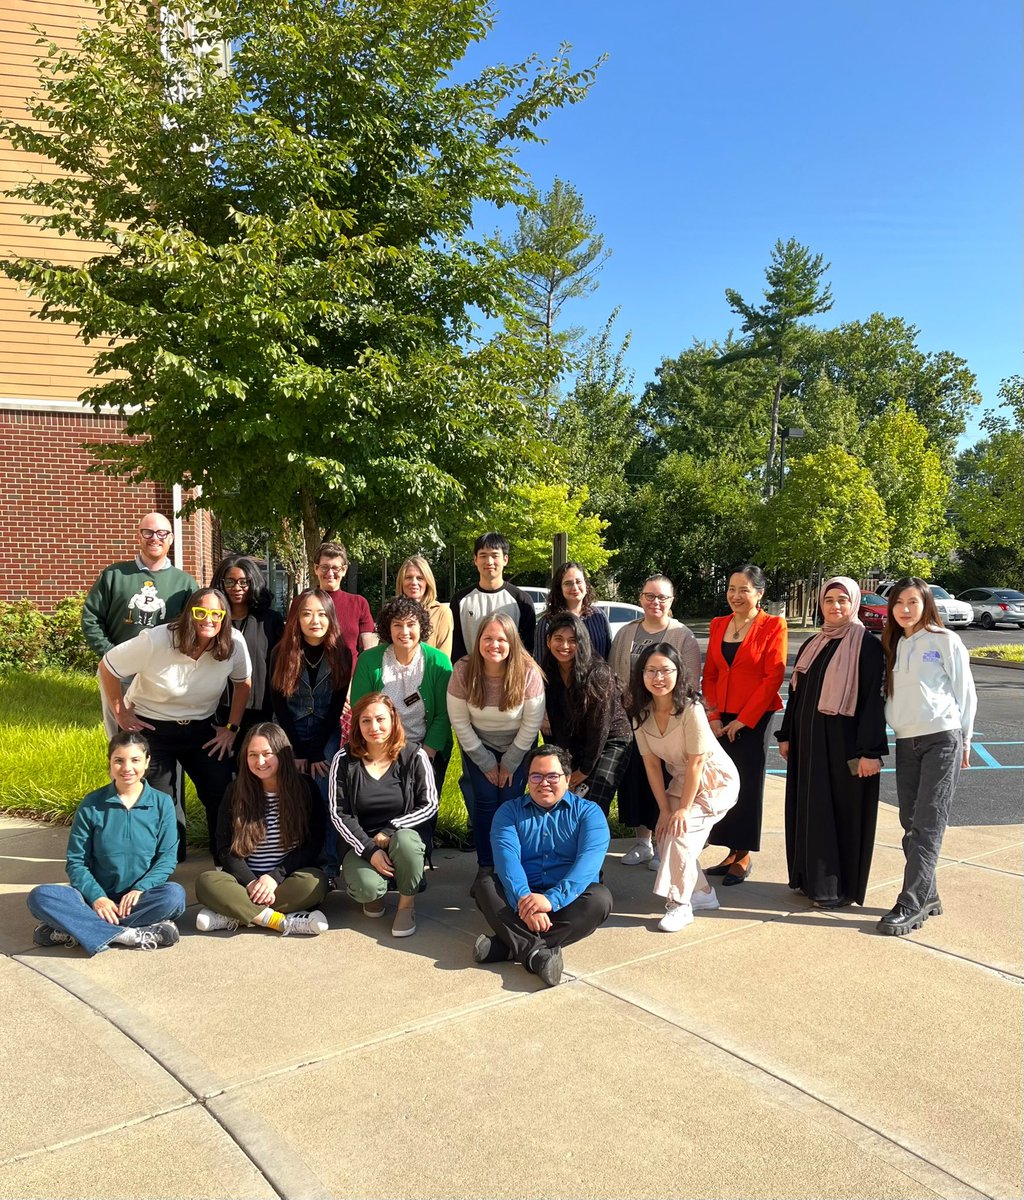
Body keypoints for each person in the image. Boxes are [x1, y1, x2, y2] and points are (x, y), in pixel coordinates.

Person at [99, 588, 252, 859]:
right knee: (161, 799)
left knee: (222, 788)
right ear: (189, 613)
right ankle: (169, 856)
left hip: (201, 727)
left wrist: (231, 729)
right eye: (201, 612)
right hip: (152, 728)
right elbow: (108, 666)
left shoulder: (233, 643)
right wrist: (120, 712)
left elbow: (243, 685)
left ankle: (225, 857)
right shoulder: (156, 639)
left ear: (224, 617)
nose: (209, 619)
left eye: (216, 614)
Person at [776, 576, 888, 909]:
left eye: (842, 600)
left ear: (853, 603)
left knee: (838, 814)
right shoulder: (815, 641)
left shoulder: (866, 645)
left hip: (845, 748)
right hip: (809, 745)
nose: (836, 606)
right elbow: (796, 693)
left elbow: (872, 701)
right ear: (820, 604)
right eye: (829, 600)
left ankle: (834, 887)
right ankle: (808, 877)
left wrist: (870, 751)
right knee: (809, 809)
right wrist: (786, 735)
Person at [876, 578, 977, 936]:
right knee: (910, 821)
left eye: (913, 602)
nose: (905, 608)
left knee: (928, 824)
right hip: (906, 741)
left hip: (941, 739)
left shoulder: (944, 640)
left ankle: (912, 902)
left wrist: (964, 740)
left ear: (926, 604)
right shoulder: (892, 645)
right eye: (898, 602)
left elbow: (966, 692)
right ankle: (930, 894)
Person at [27, 732, 186, 953]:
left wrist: (141, 888)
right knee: (40, 897)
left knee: (174, 896)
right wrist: (98, 897)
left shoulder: (162, 803)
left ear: (147, 761)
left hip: (140, 899)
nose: (126, 768)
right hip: (94, 899)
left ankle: (78, 929)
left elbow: (167, 858)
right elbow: (76, 862)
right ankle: (129, 935)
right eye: (118, 760)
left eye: (135, 760)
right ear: (110, 763)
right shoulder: (92, 804)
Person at [471, 745, 612, 987]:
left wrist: (552, 900)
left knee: (600, 899)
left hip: (568, 902)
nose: (543, 783)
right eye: (536, 776)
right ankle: (538, 956)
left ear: (568, 779)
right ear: (528, 780)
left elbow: (588, 865)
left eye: (552, 776)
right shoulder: (508, 812)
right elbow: (507, 861)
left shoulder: (590, 814)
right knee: (485, 884)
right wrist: (525, 900)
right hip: (521, 900)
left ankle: (509, 945)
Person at [628, 644, 739, 932]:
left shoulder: (691, 710)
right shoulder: (640, 715)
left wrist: (682, 810)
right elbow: (651, 765)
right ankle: (703, 894)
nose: (658, 677)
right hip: (682, 779)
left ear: (678, 674)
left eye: (666, 670)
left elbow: (697, 764)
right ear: (641, 674)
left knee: (680, 833)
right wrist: (664, 810)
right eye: (651, 670)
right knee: (665, 835)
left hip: (714, 781)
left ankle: (680, 905)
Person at [194, 723, 329, 936]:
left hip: (284, 881)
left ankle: (234, 914)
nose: (260, 762)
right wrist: (251, 882)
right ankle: (278, 920)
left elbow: (313, 843)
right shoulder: (235, 791)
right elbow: (224, 847)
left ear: (282, 754)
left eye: (267, 754)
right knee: (207, 882)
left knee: (315, 883)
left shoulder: (305, 788)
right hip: (243, 882)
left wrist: (274, 877)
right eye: (253, 755)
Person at [701, 564, 787, 886]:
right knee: (723, 784)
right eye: (731, 589)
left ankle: (745, 855)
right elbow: (709, 673)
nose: (736, 596)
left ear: (759, 593)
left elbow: (772, 678)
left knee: (747, 785)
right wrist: (713, 716)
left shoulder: (773, 626)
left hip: (754, 717)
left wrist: (743, 719)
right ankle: (730, 851)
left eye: (744, 590)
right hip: (720, 718)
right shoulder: (718, 624)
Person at [608, 573, 701, 870]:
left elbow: (689, 681)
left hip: (667, 721)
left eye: (662, 597)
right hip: (632, 720)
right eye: (649, 596)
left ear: (671, 601)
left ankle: (664, 844)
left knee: (667, 780)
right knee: (636, 782)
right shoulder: (626, 633)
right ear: (640, 598)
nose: (655, 602)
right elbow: (613, 674)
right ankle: (643, 841)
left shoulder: (681, 634)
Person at [328, 694, 438, 939]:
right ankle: (375, 895)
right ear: (357, 725)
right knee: (367, 888)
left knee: (407, 841)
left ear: (393, 720)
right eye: (365, 721)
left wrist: (390, 829)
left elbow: (430, 805)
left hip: (401, 839)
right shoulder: (344, 760)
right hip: (363, 844)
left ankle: (406, 905)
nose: (374, 727)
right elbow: (339, 813)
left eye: (380, 719)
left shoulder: (414, 755)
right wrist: (370, 850)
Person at [82, 512, 197, 736]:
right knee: (121, 737)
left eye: (162, 533)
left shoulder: (185, 584)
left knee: (162, 735)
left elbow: (193, 629)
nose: (155, 538)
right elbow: (91, 618)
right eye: (148, 532)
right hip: (118, 672)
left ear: (171, 538)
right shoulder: (114, 575)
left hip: (165, 673)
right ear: (139, 536)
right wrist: (111, 655)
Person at [446, 612, 545, 871]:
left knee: (511, 802)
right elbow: (460, 721)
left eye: (501, 639)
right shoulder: (464, 670)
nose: (494, 645)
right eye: (487, 638)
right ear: (478, 641)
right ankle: (486, 867)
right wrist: (486, 761)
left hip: (519, 745)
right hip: (479, 744)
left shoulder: (528, 672)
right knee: (486, 801)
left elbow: (531, 724)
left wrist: (511, 762)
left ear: (512, 642)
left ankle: (510, 865)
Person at [350, 596, 453, 799]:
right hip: (380, 748)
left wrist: (424, 756)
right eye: (397, 625)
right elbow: (360, 709)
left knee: (422, 812)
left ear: (421, 627)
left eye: (411, 625)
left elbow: (443, 714)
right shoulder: (369, 661)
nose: (404, 632)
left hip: (426, 747)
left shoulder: (438, 662)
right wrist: (382, 754)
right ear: (388, 628)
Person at [540, 613, 631, 817]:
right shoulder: (547, 673)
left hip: (611, 739)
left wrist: (584, 770)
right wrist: (565, 768)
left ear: (583, 643)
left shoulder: (598, 673)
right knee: (565, 797)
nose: (565, 646)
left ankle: (591, 847)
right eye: (558, 639)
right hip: (576, 739)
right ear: (548, 641)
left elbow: (599, 728)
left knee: (594, 802)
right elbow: (557, 726)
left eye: (573, 641)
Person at [270, 588, 352, 799]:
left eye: (322, 614)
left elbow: (336, 707)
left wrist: (316, 751)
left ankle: (327, 833)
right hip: (288, 728)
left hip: (325, 730)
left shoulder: (341, 654)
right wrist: (297, 750)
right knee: (289, 795)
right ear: (296, 617)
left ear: (331, 617)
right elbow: (278, 705)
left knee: (326, 795)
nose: (315, 620)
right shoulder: (281, 652)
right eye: (307, 613)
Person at [210, 554, 284, 746]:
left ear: (254, 583)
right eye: (230, 582)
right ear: (221, 584)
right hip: (220, 710)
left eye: (244, 582)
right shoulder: (213, 621)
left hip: (261, 709)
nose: (237, 588)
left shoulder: (271, 620)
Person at [449, 532, 537, 662]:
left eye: (495, 556)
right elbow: (456, 647)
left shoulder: (521, 601)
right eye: (483, 555)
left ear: (505, 559)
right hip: (470, 676)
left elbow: (527, 649)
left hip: (511, 677)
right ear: (475, 560)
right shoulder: (460, 600)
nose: (489, 561)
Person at [311, 541, 377, 664]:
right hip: (312, 680)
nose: (330, 573)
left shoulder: (359, 604)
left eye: (335, 568)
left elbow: (369, 650)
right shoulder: (304, 603)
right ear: (316, 568)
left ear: (344, 570)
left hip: (351, 680)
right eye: (324, 567)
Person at [533, 561, 612, 661]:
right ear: (559, 588)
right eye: (568, 583)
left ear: (586, 585)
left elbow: (609, 657)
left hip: (598, 676)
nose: (575, 588)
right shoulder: (547, 622)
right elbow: (541, 663)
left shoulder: (599, 616)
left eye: (579, 582)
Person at [395, 555, 454, 659]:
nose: (414, 582)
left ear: (427, 582)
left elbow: (443, 658)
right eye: (408, 577)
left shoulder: (441, 613)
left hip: (431, 674)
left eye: (420, 578)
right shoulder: (393, 612)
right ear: (401, 582)